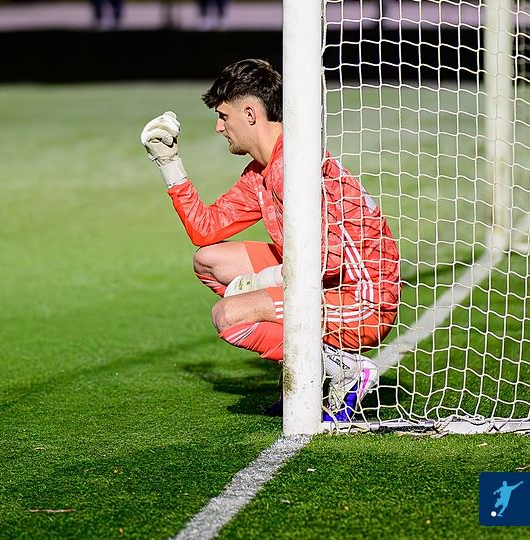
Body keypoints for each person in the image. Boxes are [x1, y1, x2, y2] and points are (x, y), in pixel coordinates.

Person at [139, 59, 400, 421]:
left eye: (223, 116)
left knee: (229, 316)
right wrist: (169, 164)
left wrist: (259, 283)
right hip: (326, 282)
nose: (219, 127)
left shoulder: (293, 167)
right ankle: (312, 367)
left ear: (250, 114)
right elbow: (206, 230)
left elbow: (329, 262)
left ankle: (343, 368)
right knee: (209, 262)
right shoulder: (263, 171)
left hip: (363, 302)